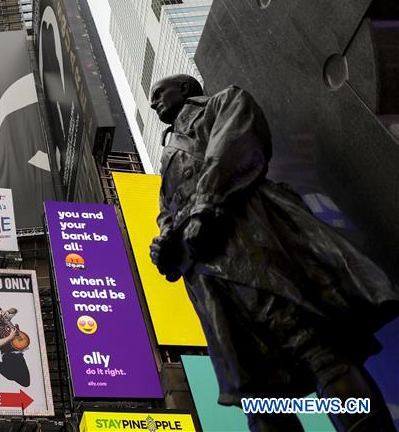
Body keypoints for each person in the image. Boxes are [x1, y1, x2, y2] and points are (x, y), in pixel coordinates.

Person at [147, 74, 399, 432]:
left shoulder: (224, 102)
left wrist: (205, 206)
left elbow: (232, 149)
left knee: (311, 342)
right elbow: (166, 210)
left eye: (159, 93)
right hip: (207, 276)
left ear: (185, 89)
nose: (154, 102)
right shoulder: (166, 159)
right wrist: (165, 243)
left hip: (248, 234)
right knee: (254, 387)